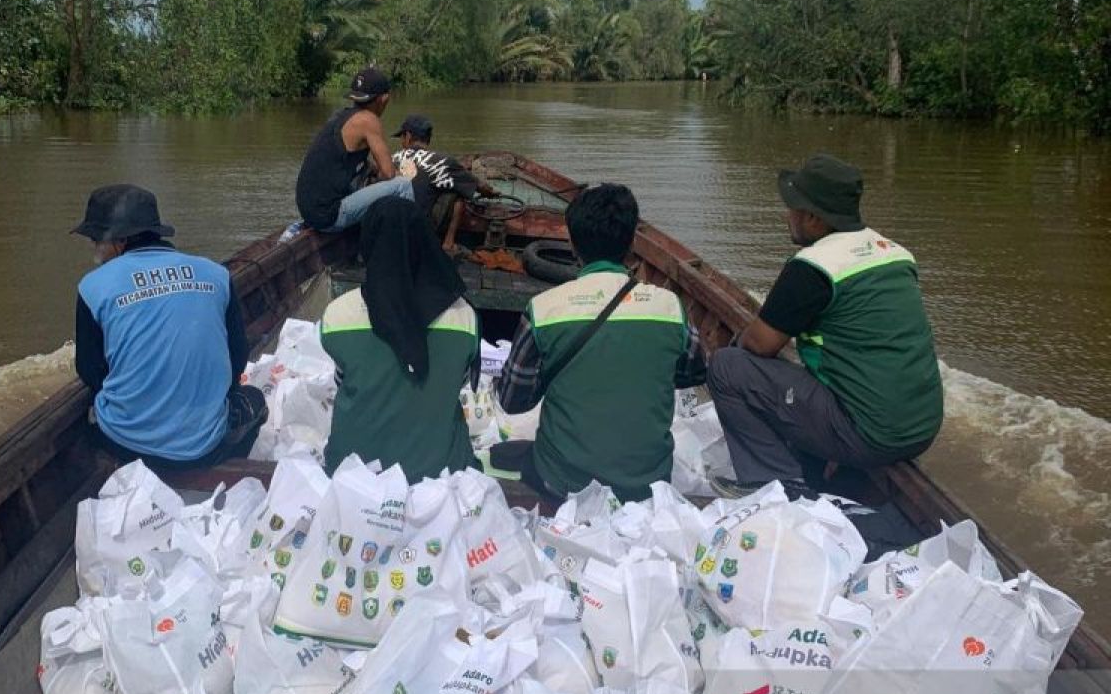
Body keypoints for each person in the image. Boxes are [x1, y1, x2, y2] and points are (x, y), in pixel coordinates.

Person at [707, 153, 943, 491]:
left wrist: (739, 344)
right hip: (921, 430)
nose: (787, 216)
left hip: (869, 435)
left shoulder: (814, 266)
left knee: (729, 367)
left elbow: (760, 344)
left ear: (814, 219)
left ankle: (773, 484)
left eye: (793, 209)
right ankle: (818, 468)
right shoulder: (894, 252)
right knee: (797, 367)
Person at [496, 184, 708, 502]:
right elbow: (691, 375)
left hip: (564, 481)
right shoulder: (670, 308)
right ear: (632, 242)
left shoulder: (544, 309)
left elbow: (513, 402)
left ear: (572, 242)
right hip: (648, 483)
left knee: (507, 454)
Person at [73, 184, 267, 470]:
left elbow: (90, 370)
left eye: (95, 238)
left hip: (126, 447)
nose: (94, 247)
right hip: (206, 447)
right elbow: (237, 357)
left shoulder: (93, 287)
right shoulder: (215, 275)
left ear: (118, 240)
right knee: (254, 399)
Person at [321, 196, 480, 481]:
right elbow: (459, 383)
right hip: (439, 473)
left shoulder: (336, 316)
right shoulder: (464, 317)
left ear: (368, 244)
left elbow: (342, 382)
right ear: (425, 241)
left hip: (353, 472)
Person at [292, 66, 414, 233]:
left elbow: (357, 162)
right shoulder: (368, 120)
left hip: (310, 212)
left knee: (366, 178)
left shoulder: (342, 116)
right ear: (384, 99)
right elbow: (388, 174)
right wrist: (392, 173)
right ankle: (410, 244)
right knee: (403, 185)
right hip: (328, 216)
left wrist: (375, 169)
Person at [390, 114, 498, 214]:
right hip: (418, 227)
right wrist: (492, 193)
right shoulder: (443, 161)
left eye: (401, 137)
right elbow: (481, 187)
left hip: (390, 220)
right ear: (429, 138)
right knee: (456, 195)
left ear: (408, 137)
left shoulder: (391, 159)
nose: (401, 141)